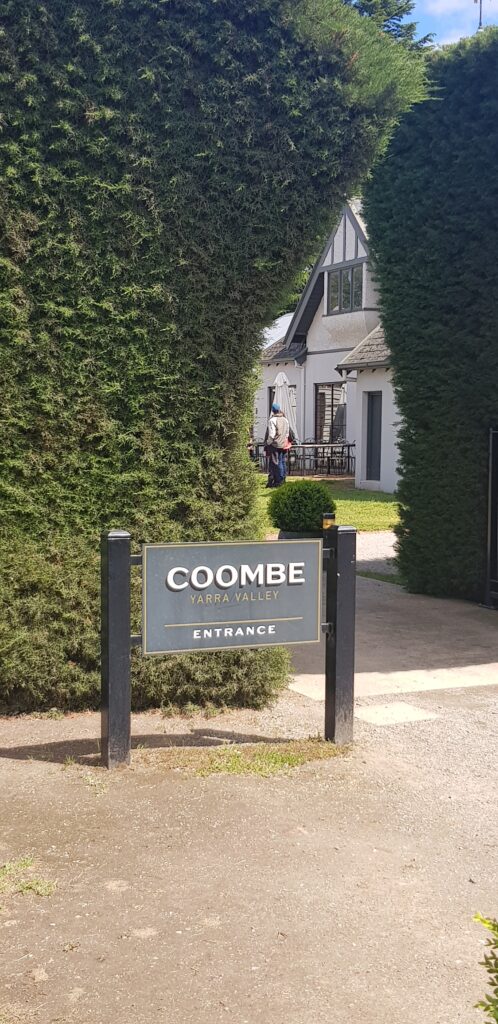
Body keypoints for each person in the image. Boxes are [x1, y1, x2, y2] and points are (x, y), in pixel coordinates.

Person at [264, 403, 294, 487]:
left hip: (275, 444)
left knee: (276, 463)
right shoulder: (285, 420)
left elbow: (271, 434)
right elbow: (287, 433)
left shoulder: (272, 420)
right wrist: (284, 441)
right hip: (283, 443)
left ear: (272, 410)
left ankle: (279, 481)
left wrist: (268, 443)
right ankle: (283, 479)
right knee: (282, 461)